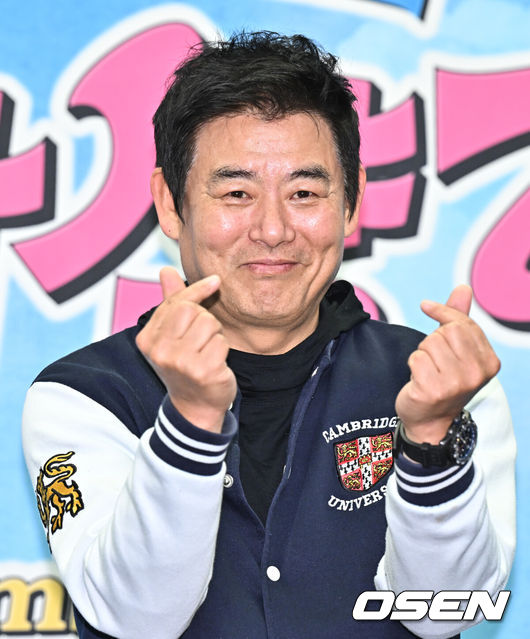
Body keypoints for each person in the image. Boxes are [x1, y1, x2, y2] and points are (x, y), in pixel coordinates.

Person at [22, 32, 515, 639]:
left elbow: (442, 614)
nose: (274, 229)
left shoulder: (443, 381)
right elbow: (136, 619)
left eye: (304, 193)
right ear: (170, 203)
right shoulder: (83, 395)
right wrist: (190, 423)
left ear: (351, 201)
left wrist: (431, 443)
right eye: (237, 193)